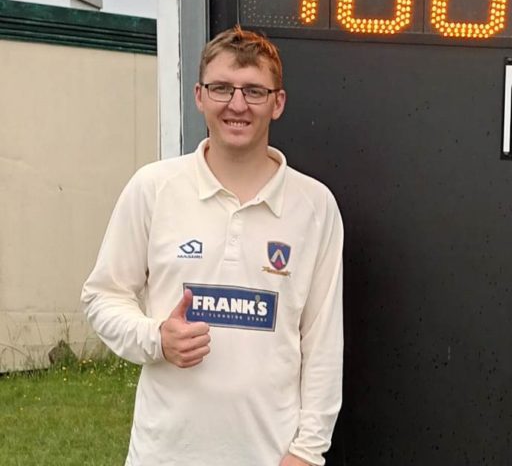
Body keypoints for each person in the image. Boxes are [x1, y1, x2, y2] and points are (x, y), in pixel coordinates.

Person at [82, 27, 344, 466]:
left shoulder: (314, 205)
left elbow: (322, 342)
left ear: (277, 103)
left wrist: (307, 450)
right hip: (164, 453)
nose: (237, 105)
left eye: (254, 91)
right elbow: (102, 296)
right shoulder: (154, 188)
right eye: (222, 88)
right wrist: (155, 338)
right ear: (200, 95)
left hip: (270, 455)